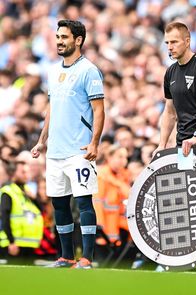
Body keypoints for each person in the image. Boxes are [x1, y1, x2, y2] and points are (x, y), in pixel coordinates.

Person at [31, 20, 105, 269]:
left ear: (78, 40)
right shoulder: (54, 71)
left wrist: (95, 142)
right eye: (57, 36)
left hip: (79, 151)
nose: (59, 41)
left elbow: (99, 110)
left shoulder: (89, 71)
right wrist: (42, 142)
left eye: (64, 37)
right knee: (59, 203)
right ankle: (65, 257)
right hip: (55, 152)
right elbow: (51, 110)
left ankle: (87, 258)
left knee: (83, 202)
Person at [153, 22, 196, 271]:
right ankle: (183, 257)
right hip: (182, 144)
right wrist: (162, 144)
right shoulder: (170, 72)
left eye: (174, 42)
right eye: (167, 42)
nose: (169, 47)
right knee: (179, 197)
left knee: (195, 198)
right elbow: (169, 112)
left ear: (187, 40)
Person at [0, 160, 44, 262]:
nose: (26, 175)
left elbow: (40, 210)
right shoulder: (8, 191)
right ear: (13, 173)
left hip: (29, 244)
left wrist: (34, 198)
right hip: (14, 245)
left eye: (27, 172)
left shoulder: (26, 191)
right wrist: (11, 242)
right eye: (23, 172)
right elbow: (5, 217)